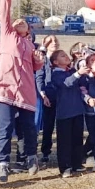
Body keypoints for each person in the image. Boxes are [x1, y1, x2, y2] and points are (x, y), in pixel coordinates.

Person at [0, 0, 43, 182]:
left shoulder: (31, 46)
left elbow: (36, 68)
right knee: (6, 127)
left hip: (26, 91)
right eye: (17, 21)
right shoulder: (8, 36)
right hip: (5, 89)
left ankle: (31, 158)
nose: (19, 22)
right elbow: (4, 14)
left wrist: (38, 61)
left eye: (24, 23)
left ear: (28, 30)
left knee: (29, 127)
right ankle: (2, 164)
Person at [50, 49, 90, 177]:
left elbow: (82, 83)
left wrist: (83, 71)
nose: (66, 57)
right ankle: (65, 167)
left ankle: (76, 163)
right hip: (65, 113)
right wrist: (78, 73)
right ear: (56, 62)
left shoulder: (72, 71)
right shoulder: (56, 74)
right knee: (64, 141)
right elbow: (66, 83)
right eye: (62, 56)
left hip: (77, 110)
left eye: (66, 55)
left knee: (77, 138)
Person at [35, 35, 59, 163]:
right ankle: (44, 151)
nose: (54, 43)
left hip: (60, 97)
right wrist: (43, 94)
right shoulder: (42, 59)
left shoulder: (61, 57)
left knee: (60, 126)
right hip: (46, 96)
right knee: (47, 126)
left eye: (56, 41)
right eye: (51, 41)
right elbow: (39, 78)